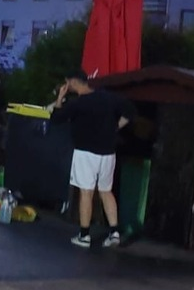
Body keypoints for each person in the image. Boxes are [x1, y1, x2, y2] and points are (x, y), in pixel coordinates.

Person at [49, 70, 136, 249]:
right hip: (108, 153)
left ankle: (84, 235)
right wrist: (115, 127)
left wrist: (60, 98)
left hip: (85, 153)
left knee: (86, 193)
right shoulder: (108, 97)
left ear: (73, 82)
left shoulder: (77, 104)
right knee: (106, 191)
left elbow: (56, 119)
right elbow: (130, 111)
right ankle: (114, 232)